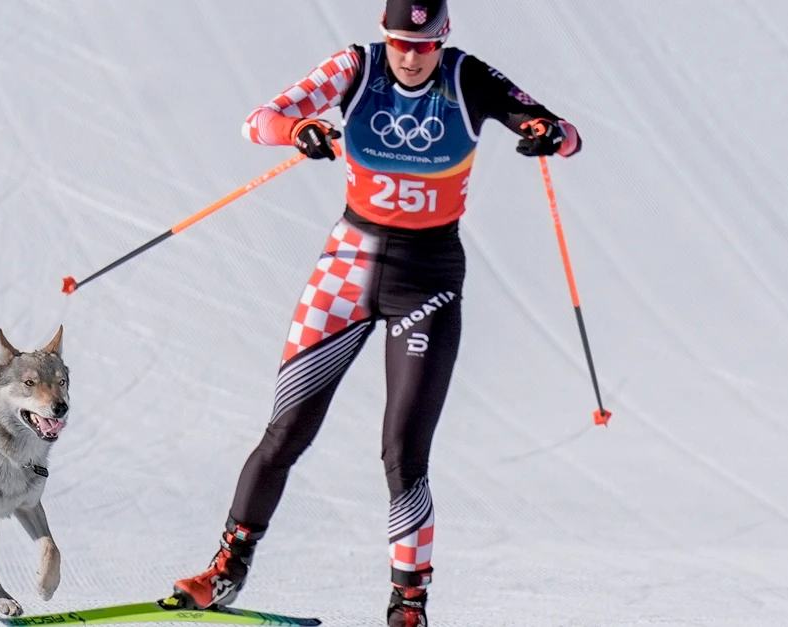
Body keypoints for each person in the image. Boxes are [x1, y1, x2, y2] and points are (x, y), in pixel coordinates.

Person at [169, 1, 582, 625]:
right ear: (384, 37)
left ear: (443, 39)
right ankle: (226, 570)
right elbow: (258, 121)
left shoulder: (467, 77)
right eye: (399, 43)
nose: (411, 57)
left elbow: (565, 133)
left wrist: (549, 133)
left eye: (423, 45)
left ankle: (408, 603)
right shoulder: (356, 68)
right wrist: (298, 131)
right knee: (285, 432)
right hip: (346, 270)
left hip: (428, 280)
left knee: (402, 451)